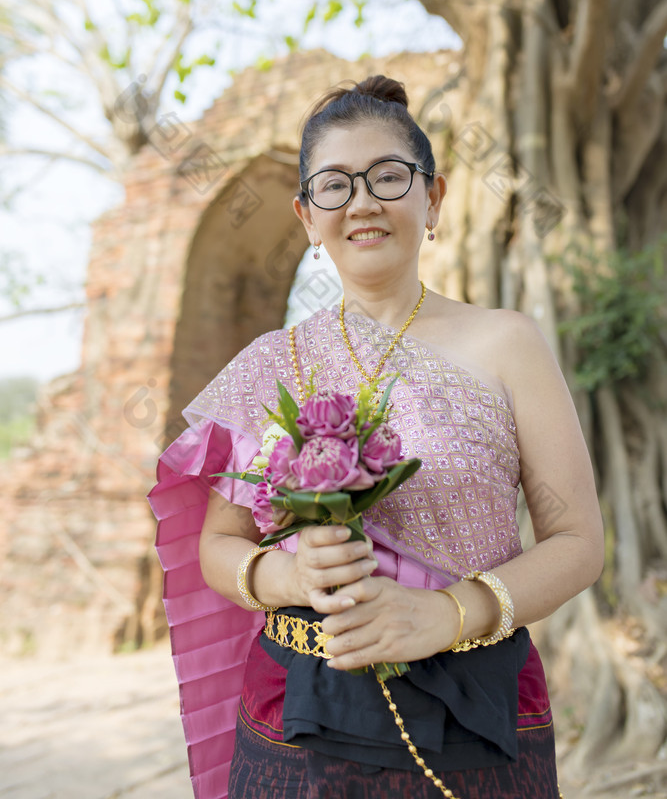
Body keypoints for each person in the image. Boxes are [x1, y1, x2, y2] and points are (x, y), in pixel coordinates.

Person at [149, 75, 604, 799]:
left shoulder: (507, 343)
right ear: (306, 216)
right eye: (333, 185)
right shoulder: (274, 363)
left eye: (387, 177)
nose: (361, 202)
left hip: (475, 703)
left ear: (433, 198)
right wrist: (291, 577)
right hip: (294, 706)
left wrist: (449, 613)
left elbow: (578, 542)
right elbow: (219, 544)